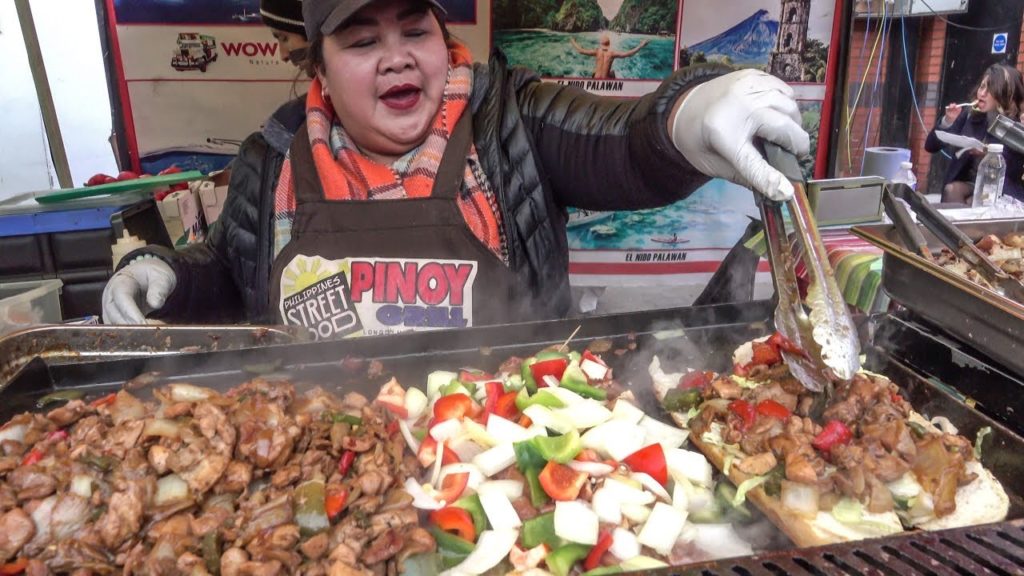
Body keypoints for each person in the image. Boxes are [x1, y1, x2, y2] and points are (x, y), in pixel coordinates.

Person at [102, 0, 808, 339]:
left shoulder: (511, 123)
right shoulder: (271, 162)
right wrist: (169, 276)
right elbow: (230, 275)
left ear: (445, 39)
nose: (399, 56)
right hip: (329, 451)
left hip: (507, 448)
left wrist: (688, 113)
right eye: (361, 41)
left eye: (416, 30)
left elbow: (624, 145)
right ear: (317, 66)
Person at [925, 63, 1024, 203]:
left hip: (1002, 190)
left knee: (973, 201)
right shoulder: (970, 115)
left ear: (1003, 94)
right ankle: (948, 225)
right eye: (982, 86)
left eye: (989, 89)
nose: (981, 93)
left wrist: (989, 154)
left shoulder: (1016, 124)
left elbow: (1014, 168)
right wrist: (947, 121)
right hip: (970, 183)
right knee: (952, 190)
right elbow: (930, 146)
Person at [570, 34, 649, 79]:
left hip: (596, 78)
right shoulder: (612, 53)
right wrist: (641, 45)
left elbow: (581, 50)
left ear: (601, 44)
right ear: (609, 44)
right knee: (613, 72)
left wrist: (573, 41)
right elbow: (628, 53)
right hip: (605, 79)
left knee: (595, 72)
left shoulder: (597, 51)